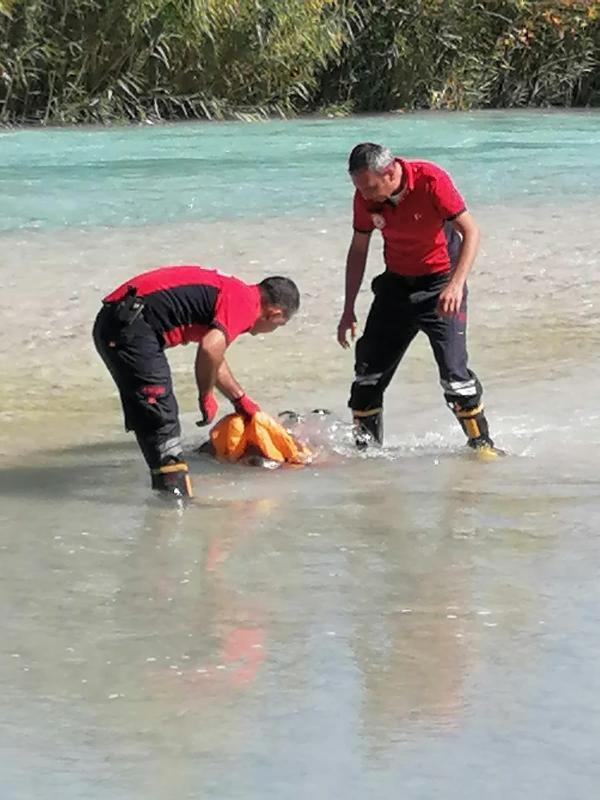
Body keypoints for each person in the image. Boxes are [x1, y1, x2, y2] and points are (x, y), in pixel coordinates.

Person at [337, 142, 500, 454]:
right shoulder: (365, 196)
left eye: (370, 188)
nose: (365, 196)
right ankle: (366, 457)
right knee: (366, 376)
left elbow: (471, 232)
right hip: (395, 288)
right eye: (359, 188)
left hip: (440, 285)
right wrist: (348, 308)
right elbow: (358, 249)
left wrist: (455, 285)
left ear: (389, 173)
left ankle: (482, 446)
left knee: (455, 379)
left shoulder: (430, 180)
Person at [93, 265, 300, 497]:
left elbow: (215, 356)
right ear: (275, 314)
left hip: (120, 321)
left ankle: (165, 500)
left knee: (151, 413)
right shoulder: (244, 303)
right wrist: (206, 394)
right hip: (129, 325)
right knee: (161, 418)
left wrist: (240, 400)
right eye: (278, 326)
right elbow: (210, 350)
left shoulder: (236, 293)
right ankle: (173, 505)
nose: (270, 330)